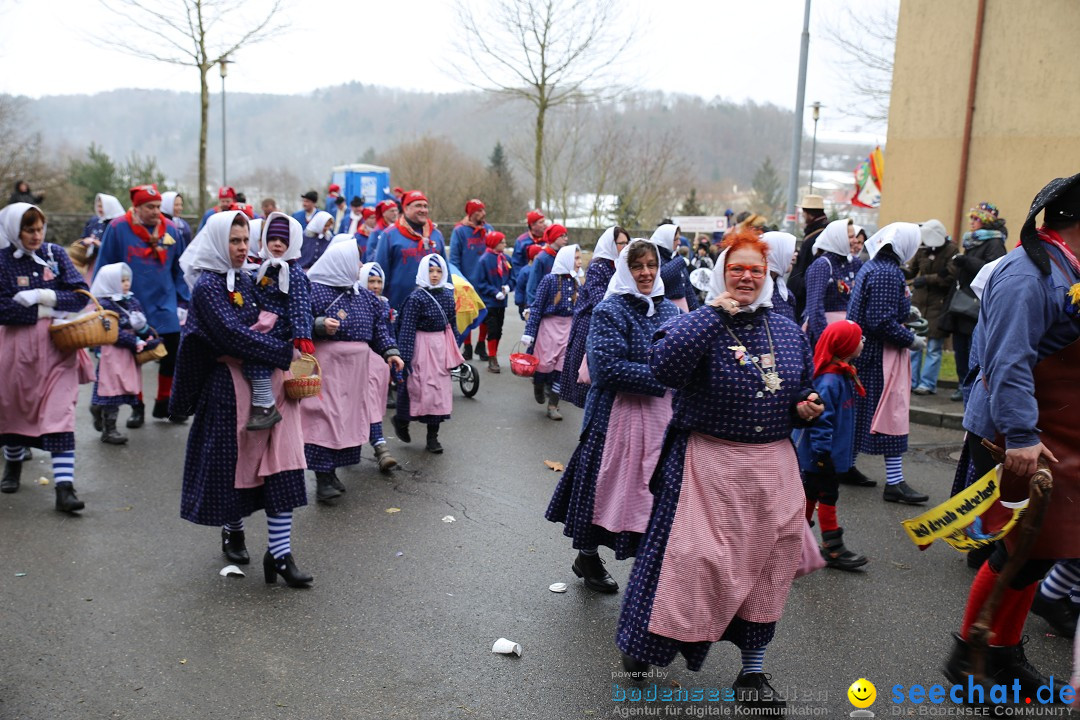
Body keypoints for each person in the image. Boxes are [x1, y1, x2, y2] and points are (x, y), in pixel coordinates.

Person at [616, 229, 822, 711]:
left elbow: (799, 388)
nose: (747, 277)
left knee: (767, 572)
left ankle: (752, 673)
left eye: (756, 270)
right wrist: (713, 312)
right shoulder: (699, 321)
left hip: (772, 470)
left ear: (768, 275)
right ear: (722, 273)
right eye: (737, 269)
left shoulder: (787, 327)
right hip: (706, 467)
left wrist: (805, 407)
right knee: (688, 565)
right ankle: (644, 649)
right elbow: (665, 367)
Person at [942, 173, 1080, 691]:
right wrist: (1021, 436)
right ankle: (969, 663)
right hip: (1018, 436)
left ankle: (1002, 653)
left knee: (1036, 553)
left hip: (1050, 431)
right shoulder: (1027, 274)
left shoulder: (1064, 266)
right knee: (1018, 551)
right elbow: (1009, 364)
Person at [172, 210, 312, 587]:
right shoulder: (207, 287)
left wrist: (296, 336)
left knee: (282, 465)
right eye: (234, 241)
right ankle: (232, 530)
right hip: (228, 389)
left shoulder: (250, 280)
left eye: (245, 239)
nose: (241, 247)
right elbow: (232, 336)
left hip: (270, 386)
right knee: (235, 469)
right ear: (219, 241)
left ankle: (280, 554)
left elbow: (277, 313)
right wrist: (285, 353)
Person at [546, 239, 678, 592]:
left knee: (654, 492)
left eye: (652, 264)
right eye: (638, 266)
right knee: (601, 490)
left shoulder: (670, 312)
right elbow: (607, 369)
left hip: (660, 419)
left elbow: (683, 359)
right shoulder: (610, 310)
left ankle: (651, 568)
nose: (647, 272)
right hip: (614, 417)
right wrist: (664, 376)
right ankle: (587, 556)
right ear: (625, 270)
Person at [0, 203, 92, 511]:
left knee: (60, 411)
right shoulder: (2, 260)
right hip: (15, 347)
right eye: (29, 230)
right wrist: (40, 308)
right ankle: (12, 465)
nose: (37, 236)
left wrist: (44, 297)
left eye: (40, 228)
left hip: (57, 346)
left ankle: (64, 489)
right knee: (14, 408)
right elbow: (2, 307)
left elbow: (80, 295)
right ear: (16, 230)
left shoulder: (55, 254)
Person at [302, 241, 403, 501]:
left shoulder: (364, 296)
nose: (359, 267)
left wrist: (391, 352)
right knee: (325, 419)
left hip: (356, 371)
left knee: (347, 420)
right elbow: (298, 322)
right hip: (327, 367)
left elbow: (380, 328)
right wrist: (319, 325)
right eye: (355, 261)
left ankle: (332, 471)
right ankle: (323, 478)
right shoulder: (314, 291)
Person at [847, 223, 930, 504]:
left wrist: (907, 314)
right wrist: (910, 339)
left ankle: (845, 466)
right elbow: (880, 321)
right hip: (879, 356)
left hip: (868, 353)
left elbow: (878, 312)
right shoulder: (887, 272)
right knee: (890, 416)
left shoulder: (875, 266)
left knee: (862, 416)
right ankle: (894, 483)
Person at [96, 184, 189, 422]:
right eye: (150, 207)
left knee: (172, 350)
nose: (156, 211)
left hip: (164, 301)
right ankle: (137, 406)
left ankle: (165, 401)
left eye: (158, 206)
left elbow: (180, 268)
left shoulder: (171, 229)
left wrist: (182, 301)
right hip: (129, 304)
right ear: (136, 208)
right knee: (134, 354)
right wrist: (104, 301)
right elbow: (105, 266)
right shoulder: (117, 228)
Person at [796, 319, 869, 571]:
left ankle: (795, 542)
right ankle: (833, 547)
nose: (862, 342)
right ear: (846, 345)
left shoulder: (842, 373)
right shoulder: (830, 381)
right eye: (859, 338)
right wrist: (822, 454)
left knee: (810, 494)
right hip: (821, 454)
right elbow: (821, 421)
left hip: (826, 453)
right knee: (827, 494)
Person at [243, 213, 315, 431]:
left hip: (279, 324)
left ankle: (265, 405)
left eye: (283, 241)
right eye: (273, 239)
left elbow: (300, 304)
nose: (277, 244)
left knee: (257, 354)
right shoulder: (264, 266)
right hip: (263, 320)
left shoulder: (294, 272)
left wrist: (302, 335)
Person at [391, 254, 463, 454]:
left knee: (438, 391)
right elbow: (406, 328)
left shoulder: (448, 296)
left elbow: (452, 326)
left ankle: (433, 437)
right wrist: (404, 358)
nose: (434, 275)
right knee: (416, 386)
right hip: (420, 347)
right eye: (431, 271)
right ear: (423, 271)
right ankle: (402, 420)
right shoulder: (415, 298)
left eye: (439, 271)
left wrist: (455, 351)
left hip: (440, 348)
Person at [88, 262, 160, 443]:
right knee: (111, 388)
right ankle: (109, 430)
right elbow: (111, 332)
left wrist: (146, 333)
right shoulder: (104, 304)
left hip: (128, 353)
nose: (126, 283)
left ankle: (98, 409)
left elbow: (141, 323)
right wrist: (134, 341)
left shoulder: (132, 300)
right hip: (112, 352)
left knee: (122, 387)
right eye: (121, 280)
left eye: (128, 280)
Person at [943, 202, 1008, 402]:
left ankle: (971, 388)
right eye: (971, 218)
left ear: (986, 221)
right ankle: (963, 384)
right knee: (960, 348)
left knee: (973, 348)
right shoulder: (971, 241)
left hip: (976, 305)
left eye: (976, 218)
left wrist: (966, 261)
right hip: (962, 303)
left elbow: (993, 270)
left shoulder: (995, 242)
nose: (971, 222)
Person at [561, 226, 628, 408]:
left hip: (613, 323)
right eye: (621, 243)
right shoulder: (598, 267)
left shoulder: (623, 267)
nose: (626, 247)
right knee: (589, 380)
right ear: (611, 245)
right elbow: (600, 300)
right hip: (590, 324)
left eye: (627, 243)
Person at [523, 244, 581, 420]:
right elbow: (537, 307)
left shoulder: (577, 281)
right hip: (548, 329)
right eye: (576, 258)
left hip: (568, 328)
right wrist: (530, 332)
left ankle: (553, 405)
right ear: (566, 260)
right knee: (544, 365)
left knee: (562, 368)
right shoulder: (549, 280)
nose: (579, 263)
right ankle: (538, 384)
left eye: (579, 258)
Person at [358, 262, 401, 472]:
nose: (375, 286)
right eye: (371, 281)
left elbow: (389, 334)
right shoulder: (356, 301)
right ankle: (379, 445)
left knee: (373, 405)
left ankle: (376, 443)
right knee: (367, 404)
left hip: (380, 362)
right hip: (360, 362)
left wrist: (393, 360)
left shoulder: (385, 304)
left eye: (379, 281)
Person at [375, 190, 447, 311]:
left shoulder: (436, 235)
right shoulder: (389, 235)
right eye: (418, 205)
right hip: (399, 307)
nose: (423, 210)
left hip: (433, 309)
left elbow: (446, 272)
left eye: (425, 206)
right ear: (406, 208)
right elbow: (380, 275)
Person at [908, 219, 958, 395]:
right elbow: (912, 270)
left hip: (939, 304)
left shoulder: (951, 250)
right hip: (919, 303)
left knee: (934, 347)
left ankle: (927, 383)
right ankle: (911, 381)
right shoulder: (923, 248)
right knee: (914, 345)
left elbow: (950, 277)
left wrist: (927, 279)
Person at [803, 218, 861, 347]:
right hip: (826, 334)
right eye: (851, 237)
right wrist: (827, 341)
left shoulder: (854, 263)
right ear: (837, 238)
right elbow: (815, 307)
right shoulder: (822, 265)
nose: (855, 241)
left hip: (846, 333)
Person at [449, 199, 493, 359]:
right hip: (468, 281)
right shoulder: (460, 231)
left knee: (487, 314)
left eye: (483, 210)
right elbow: (454, 258)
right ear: (472, 213)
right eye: (479, 211)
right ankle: (467, 346)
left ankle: (481, 345)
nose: (483, 213)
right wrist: (458, 280)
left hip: (486, 280)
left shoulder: (488, 229)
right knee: (467, 312)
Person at [473, 231, 513, 373]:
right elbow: (480, 282)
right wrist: (494, 292)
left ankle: (492, 353)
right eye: (502, 242)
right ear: (494, 243)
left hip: (501, 303)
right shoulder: (484, 260)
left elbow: (512, 277)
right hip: (489, 302)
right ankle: (492, 358)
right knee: (493, 329)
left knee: (499, 330)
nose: (505, 244)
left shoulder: (506, 259)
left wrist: (508, 286)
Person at [787, 194, 830, 320]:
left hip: (803, 295)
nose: (802, 215)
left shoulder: (817, 234)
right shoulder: (820, 231)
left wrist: (799, 286)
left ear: (809, 213)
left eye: (803, 212)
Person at [72, 193, 125, 278]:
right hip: (93, 262)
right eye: (98, 206)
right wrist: (85, 242)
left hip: (112, 264)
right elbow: (84, 237)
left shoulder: (118, 224)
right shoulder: (94, 221)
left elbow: (120, 247)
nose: (99, 209)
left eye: (102, 206)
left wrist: (101, 245)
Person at [650, 224, 698, 312]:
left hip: (683, 310)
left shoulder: (675, 256)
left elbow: (687, 289)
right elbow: (660, 277)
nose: (679, 242)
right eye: (676, 239)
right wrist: (680, 262)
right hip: (664, 310)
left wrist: (696, 312)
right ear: (665, 239)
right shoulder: (654, 257)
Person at [526, 223, 567, 306]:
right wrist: (533, 306)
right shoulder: (542, 259)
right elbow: (532, 285)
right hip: (544, 304)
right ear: (554, 237)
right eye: (562, 236)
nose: (566, 239)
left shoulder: (565, 256)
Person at [763, 231, 797, 321]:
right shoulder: (760, 290)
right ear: (775, 254)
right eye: (790, 251)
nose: (795, 256)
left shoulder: (779, 286)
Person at [511, 210, 547, 287]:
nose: (545, 225)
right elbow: (516, 264)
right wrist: (521, 280)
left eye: (544, 221)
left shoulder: (549, 239)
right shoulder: (521, 241)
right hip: (527, 282)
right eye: (541, 222)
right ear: (532, 225)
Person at [515, 243, 544, 320]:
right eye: (539, 254)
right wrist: (520, 302)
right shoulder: (525, 271)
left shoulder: (540, 269)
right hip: (526, 304)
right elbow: (519, 288)